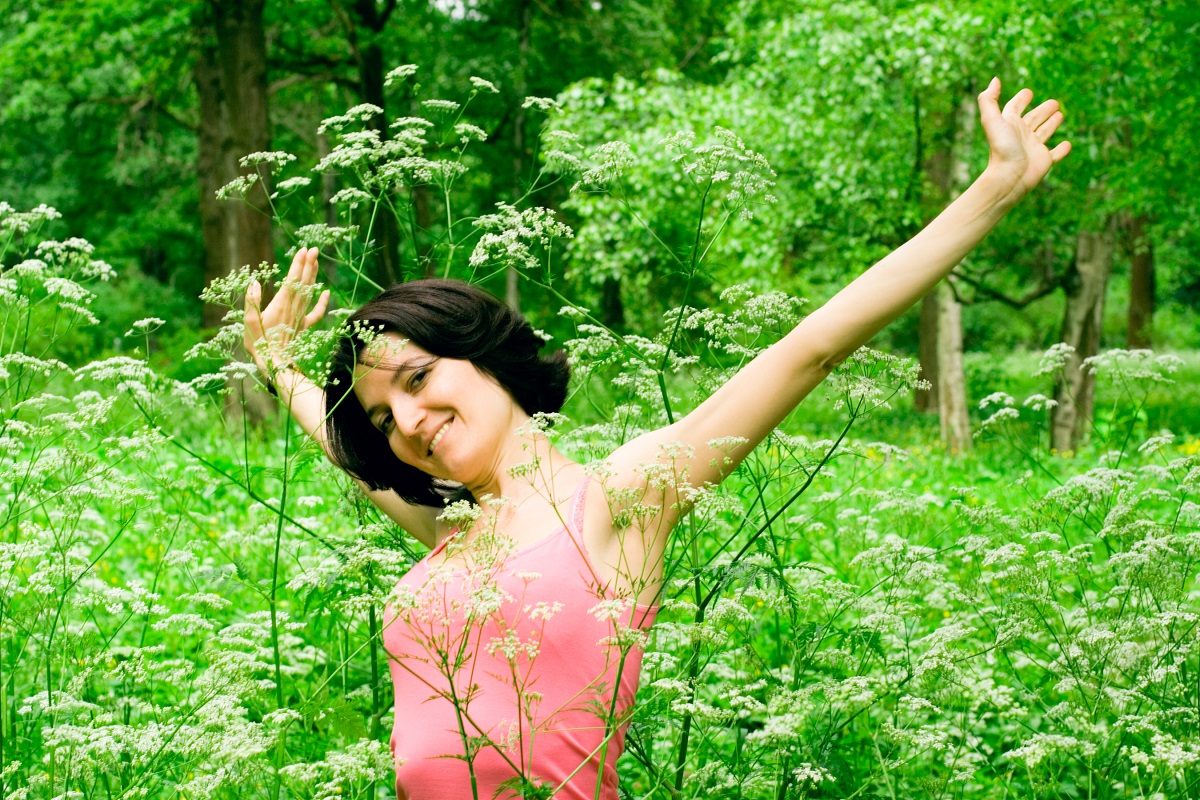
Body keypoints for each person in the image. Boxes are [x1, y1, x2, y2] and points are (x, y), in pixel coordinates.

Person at [243, 78, 1069, 799]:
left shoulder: (620, 496)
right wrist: (282, 369)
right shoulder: (454, 533)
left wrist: (993, 189)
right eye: (386, 419)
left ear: (484, 355)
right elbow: (350, 456)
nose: (409, 425)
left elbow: (810, 347)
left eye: (419, 381)